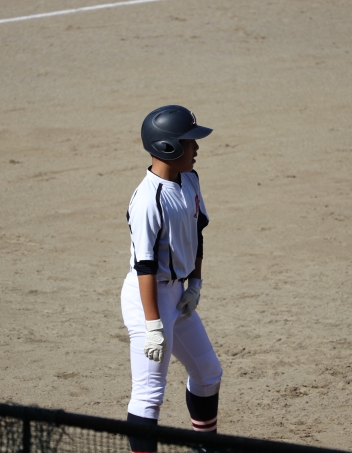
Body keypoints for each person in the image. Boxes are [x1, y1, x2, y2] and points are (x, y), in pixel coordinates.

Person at [121, 105, 223, 453]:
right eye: (189, 142)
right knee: (149, 394)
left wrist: (195, 283)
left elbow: (197, 232)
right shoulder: (148, 200)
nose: (196, 148)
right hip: (148, 299)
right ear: (169, 147)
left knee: (208, 373)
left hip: (177, 295)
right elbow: (145, 267)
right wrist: (153, 325)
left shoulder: (189, 180)